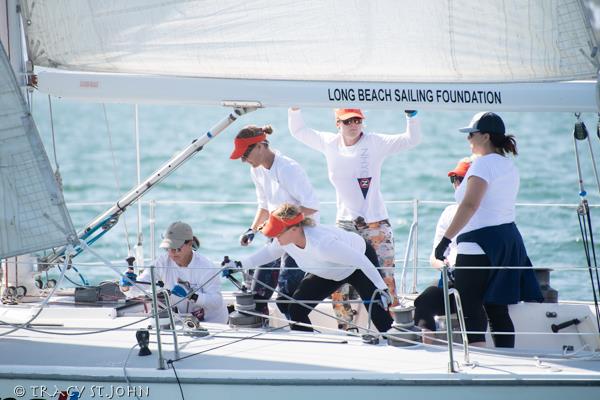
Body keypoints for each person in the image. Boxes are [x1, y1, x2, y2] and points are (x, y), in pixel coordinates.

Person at [288, 107, 421, 325]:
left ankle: (395, 330)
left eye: (357, 120)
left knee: (385, 279)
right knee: (339, 282)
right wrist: (294, 108)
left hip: (375, 224)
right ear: (337, 123)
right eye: (347, 120)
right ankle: (346, 330)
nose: (353, 124)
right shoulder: (329, 143)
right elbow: (298, 130)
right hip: (344, 225)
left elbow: (411, 139)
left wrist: (411, 115)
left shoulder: (375, 142)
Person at [434, 112, 542, 348]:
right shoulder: (508, 165)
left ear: (485, 136)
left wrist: (445, 240)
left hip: (478, 243)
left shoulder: (482, 165)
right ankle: (507, 357)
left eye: (471, 134)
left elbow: (470, 205)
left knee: (470, 304)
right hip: (508, 241)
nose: (468, 139)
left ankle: (479, 360)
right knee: (497, 307)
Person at [223, 203, 394, 332]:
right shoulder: (285, 240)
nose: (274, 236)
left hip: (358, 265)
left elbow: (361, 260)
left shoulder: (322, 244)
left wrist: (382, 288)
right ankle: (309, 347)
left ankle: (398, 347)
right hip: (328, 271)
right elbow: (267, 253)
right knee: (295, 309)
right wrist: (238, 265)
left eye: (278, 232)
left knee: (378, 314)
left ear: (296, 228)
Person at [230, 124, 320, 316]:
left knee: (285, 298)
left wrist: (283, 223)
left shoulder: (288, 168)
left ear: (261, 146)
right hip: (275, 235)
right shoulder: (256, 170)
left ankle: (301, 338)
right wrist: (252, 230)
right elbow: (264, 205)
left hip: (298, 237)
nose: (243, 160)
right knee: (258, 294)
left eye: (245, 154)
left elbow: (312, 206)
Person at [121, 221, 228, 323]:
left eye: (177, 248)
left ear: (190, 244)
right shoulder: (161, 263)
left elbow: (216, 302)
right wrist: (126, 285)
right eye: (168, 248)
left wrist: (192, 295)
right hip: (183, 321)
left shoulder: (206, 266)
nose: (172, 253)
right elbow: (134, 290)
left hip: (212, 322)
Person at [413, 157, 472, 338]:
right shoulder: (448, 213)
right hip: (452, 280)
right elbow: (434, 257)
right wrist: (444, 265)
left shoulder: (490, 214)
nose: (457, 184)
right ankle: (425, 350)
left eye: (462, 179)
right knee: (424, 300)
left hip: (479, 281)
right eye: (454, 179)